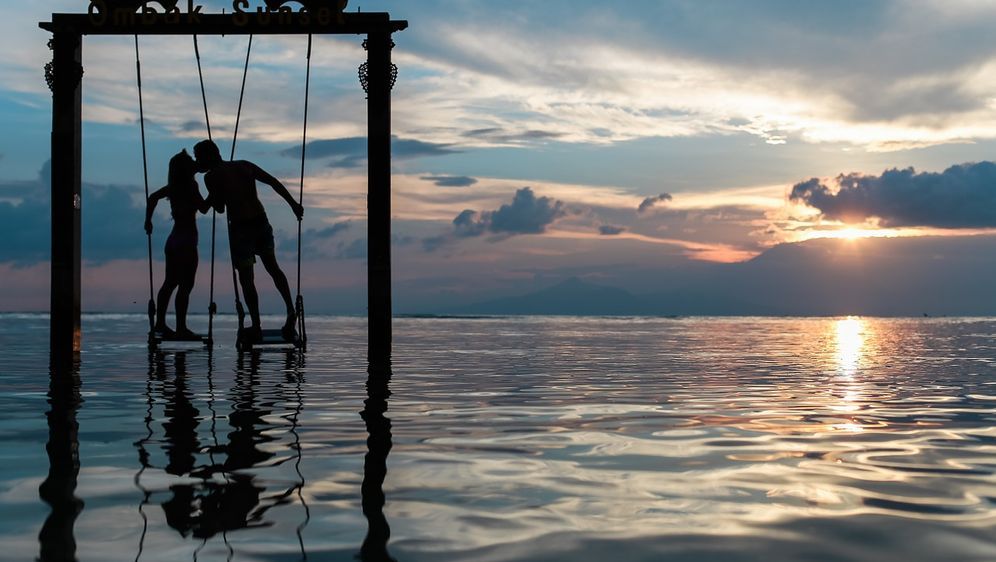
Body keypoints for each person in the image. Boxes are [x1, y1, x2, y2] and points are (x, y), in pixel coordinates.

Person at [193, 139, 304, 341]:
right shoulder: (244, 165)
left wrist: (211, 192)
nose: (197, 161)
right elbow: (273, 182)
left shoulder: (211, 177)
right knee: (273, 267)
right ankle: (290, 310)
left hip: (241, 228)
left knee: (247, 279)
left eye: (198, 158)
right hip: (260, 221)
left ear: (205, 158)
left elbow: (219, 208)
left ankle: (256, 324)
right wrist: (293, 205)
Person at [145, 149, 210, 338]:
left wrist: (148, 220)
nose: (193, 164)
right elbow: (204, 208)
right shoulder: (191, 185)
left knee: (170, 283)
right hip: (187, 241)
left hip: (173, 241)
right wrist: (215, 193)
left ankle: (160, 324)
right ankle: (181, 327)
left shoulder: (173, 186)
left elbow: (152, 198)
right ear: (185, 168)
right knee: (186, 285)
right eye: (190, 162)